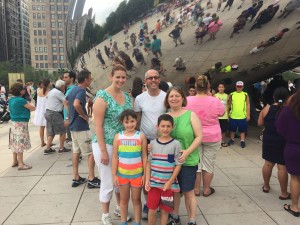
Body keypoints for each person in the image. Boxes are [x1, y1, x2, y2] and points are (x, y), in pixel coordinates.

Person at [92, 65, 133, 225]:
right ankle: (105, 214)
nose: (121, 80)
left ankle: (119, 207)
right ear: (111, 77)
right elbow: (98, 126)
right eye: (118, 77)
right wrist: (103, 151)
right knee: (108, 180)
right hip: (106, 144)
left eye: (123, 77)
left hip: (123, 144)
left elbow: (130, 121)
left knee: (121, 180)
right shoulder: (102, 97)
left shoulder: (127, 97)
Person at [165, 87, 202, 225]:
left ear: (182, 99)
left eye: (177, 96)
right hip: (170, 162)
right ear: (167, 100)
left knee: (188, 191)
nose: (174, 99)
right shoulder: (166, 117)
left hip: (188, 160)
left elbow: (199, 137)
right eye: (171, 96)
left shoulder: (191, 115)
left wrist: (187, 152)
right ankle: (174, 215)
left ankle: (192, 219)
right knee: (174, 190)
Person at [134, 69, 167, 219]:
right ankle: (148, 203)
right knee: (146, 173)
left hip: (164, 141)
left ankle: (163, 202)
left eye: (156, 77)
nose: (153, 80)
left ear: (159, 80)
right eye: (150, 78)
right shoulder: (140, 98)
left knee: (163, 172)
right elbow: (137, 120)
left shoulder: (166, 97)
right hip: (145, 140)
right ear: (145, 81)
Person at [186, 75, 224, 197]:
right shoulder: (215, 100)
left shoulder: (188, 100)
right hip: (212, 136)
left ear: (195, 87)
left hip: (193, 135)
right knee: (208, 163)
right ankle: (206, 189)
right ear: (208, 86)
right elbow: (221, 112)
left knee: (196, 163)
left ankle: (196, 189)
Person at [145, 114, 182, 225]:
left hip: (168, 186)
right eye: (163, 126)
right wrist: (147, 180)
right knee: (152, 210)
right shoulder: (152, 144)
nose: (165, 129)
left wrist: (170, 182)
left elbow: (178, 165)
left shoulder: (176, 144)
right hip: (154, 185)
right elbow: (148, 163)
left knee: (165, 211)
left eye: (168, 126)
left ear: (172, 127)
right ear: (158, 127)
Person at [66, 70, 101, 188]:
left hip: (73, 126)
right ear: (85, 79)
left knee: (76, 151)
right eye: (90, 78)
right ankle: (92, 178)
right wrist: (84, 115)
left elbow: (66, 102)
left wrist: (70, 116)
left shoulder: (72, 90)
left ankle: (76, 177)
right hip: (81, 126)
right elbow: (76, 104)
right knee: (91, 152)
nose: (91, 80)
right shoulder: (81, 90)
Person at [112, 109, 147, 225]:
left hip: (137, 175)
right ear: (122, 122)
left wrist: (144, 176)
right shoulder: (118, 137)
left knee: (136, 200)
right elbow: (115, 157)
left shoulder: (141, 136)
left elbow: (144, 157)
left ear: (136, 121)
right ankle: (123, 222)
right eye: (127, 122)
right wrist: (114, 175)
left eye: (132, 121)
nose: (130, 124)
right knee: (123, 200)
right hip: (122, 175)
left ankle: (137, 222)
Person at [258, 87, 290, 199]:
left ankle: (266, 186)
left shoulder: (267, 108)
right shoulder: (289, 110)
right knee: (282, 167)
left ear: (273, 97)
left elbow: (259, 123)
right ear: (287, 97)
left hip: (269, 139)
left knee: (268, 164)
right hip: (283, 140)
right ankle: (283, 193)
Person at [276, 91, 300, 217]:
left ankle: (295, 207)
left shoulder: (287, 110)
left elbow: (279, 127)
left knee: (296, 177)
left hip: (294, 147)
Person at [8, 82, 35, 170]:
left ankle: (15, 161)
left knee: (14, 142)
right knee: (20, 143)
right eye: (22, 89)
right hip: (21, 123)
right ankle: (21, 164)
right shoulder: (21, 100)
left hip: (13, 123)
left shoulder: (11, 99)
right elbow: (32, 108)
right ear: (20, 91)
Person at [44, 80, 71, 155]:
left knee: (51, 132)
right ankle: (61, 148)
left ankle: (47, 148)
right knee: (62, 131)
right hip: (55, 113)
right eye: (64, 86)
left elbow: (47, 97)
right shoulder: (59, 93)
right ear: (62, 86)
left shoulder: (52, 91)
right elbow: (65, 102)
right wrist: (68, 114)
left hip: (48, 112)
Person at [227, 81, 250, 148]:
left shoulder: (245, 94)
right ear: (236, 86)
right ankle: (232, 139)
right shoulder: (232, 94)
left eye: (240, 86)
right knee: (232, 129)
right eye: (238, 86)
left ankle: (242, 140)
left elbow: (248, 105)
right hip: (233, 115)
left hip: (242, 116)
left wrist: (248, 115)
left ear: (243, 87)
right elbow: (228, 105)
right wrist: (227, 114)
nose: (239, 88)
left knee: (242, 130)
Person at [33, 79, 50, 147]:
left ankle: (42, 142)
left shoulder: (39, 91)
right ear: (48, 84)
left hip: (40, 110)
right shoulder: (49, 92)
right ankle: (49, 142)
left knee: (41, 127)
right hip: (47, 110)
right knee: (48, 127)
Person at [63, 71, 77, 143]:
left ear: (71, 79)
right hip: (68, 118)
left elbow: (71, 105)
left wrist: (67, 118)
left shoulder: (73, 89)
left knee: (74, 141)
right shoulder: (68, 89)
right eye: (63, 77)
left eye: (66, 77)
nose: (64, 79)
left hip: (70, 118)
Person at [214, 82, 229, 147]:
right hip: (217, 116)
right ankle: (217, 142)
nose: (221, 88)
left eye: (222, 87)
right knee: (217, 130)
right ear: (218, 88)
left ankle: (222, 141)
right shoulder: (215, 95)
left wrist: (228, 115)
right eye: (220, 87)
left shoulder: (227, 96)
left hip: (224, 115)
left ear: (224, 88)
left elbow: (228, 106)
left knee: (224, 129)